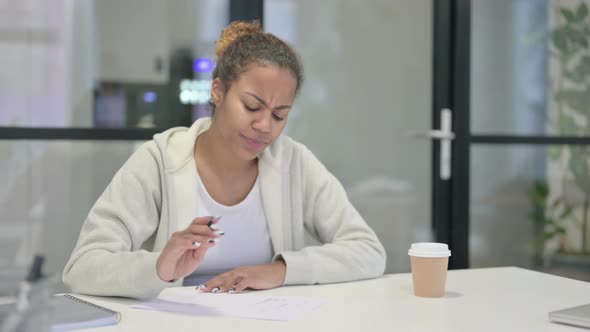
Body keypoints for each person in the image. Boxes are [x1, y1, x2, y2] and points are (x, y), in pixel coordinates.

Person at [63, 20, 386, 299]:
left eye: (279, 115)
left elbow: (368, 252)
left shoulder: (294, 162)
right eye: (252, 106)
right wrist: (158, 267)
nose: (264, 126)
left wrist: (279, 270)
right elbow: (82, 268)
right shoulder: (159, 161)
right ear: (218, 91)